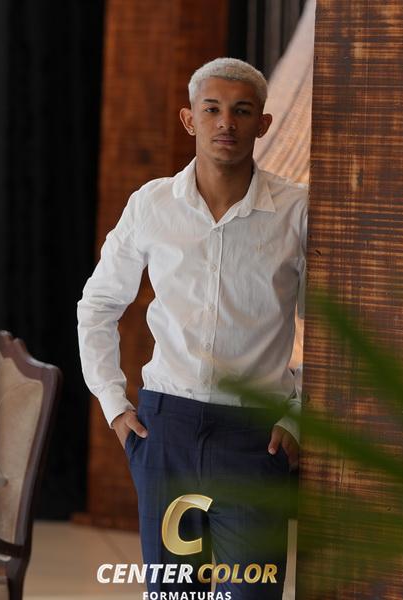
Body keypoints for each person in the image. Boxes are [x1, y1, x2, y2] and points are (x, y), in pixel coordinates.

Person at [77, 57, 307, 599]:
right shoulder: (152, 205)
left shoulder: (296, 212)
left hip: (255, 440)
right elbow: (99, 305)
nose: (226, 122)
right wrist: (114, 405)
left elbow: (332, 329)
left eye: (242, 111)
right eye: (212, 109)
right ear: (190, 120)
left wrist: (298, 418)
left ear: (262, 124)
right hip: (166, 434)